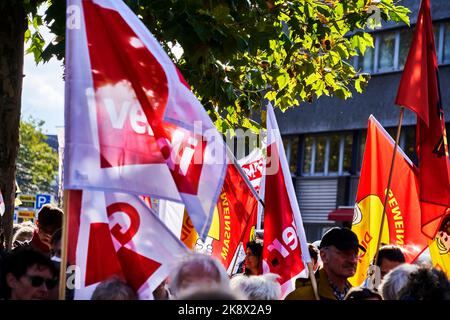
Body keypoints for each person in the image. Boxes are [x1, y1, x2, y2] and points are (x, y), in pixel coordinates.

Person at [286, 227, 365, 300]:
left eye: (356, 253)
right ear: (324, 255)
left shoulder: (358, 296)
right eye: (345, 253)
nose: (353, 260)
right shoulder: (301, 297)